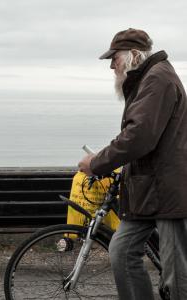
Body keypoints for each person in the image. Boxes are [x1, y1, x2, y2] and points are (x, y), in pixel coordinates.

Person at [78, 28, 187, 300]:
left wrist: (97, 163)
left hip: (168, 191)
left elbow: (139, 137)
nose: (112, 65)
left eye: (114, 58)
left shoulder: (158, 79)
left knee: (177, 276)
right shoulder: (148, 79)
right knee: (122, 252)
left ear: (133, 55)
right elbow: (137, 134)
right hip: (148, 188)